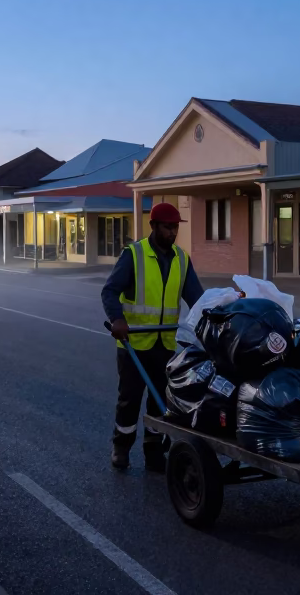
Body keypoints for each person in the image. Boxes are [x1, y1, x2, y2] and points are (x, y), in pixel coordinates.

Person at [100, 202, 205, 471]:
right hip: (134, 342)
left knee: (162, 400)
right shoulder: (133, 255)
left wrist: (213, 319)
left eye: (175, 228)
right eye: (168, 227)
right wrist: (118, 319)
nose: (172, 233)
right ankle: (121, 447)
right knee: (130, 399)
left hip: (166, 344)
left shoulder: (182, 259)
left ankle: (154, 452)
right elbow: (110, 291)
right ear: (154, 226)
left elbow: (196, 298)